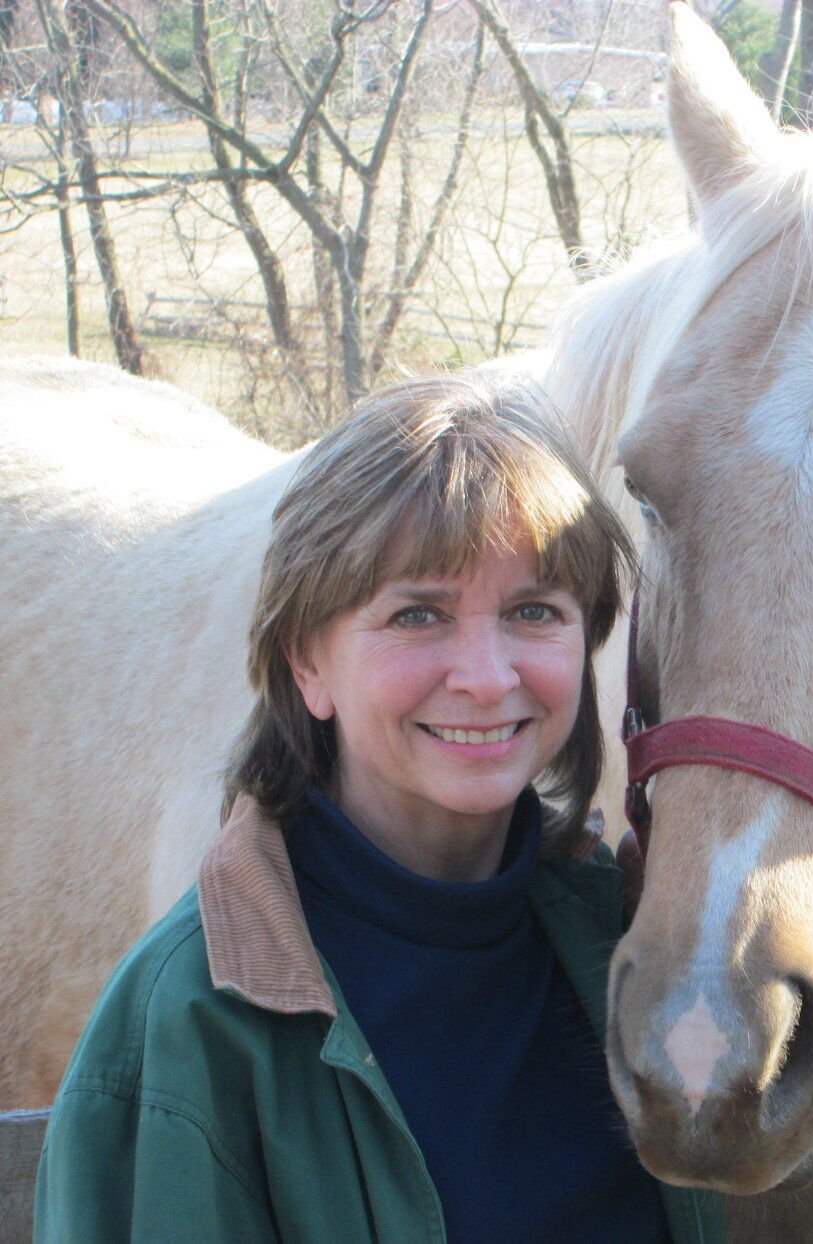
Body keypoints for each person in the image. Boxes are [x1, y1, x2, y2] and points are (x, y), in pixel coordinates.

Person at [34, 373, 725, 1243]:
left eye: (532, 611)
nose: (485, 676)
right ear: (306, 664)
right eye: (417, 616)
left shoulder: (619, 938)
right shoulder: (191, 1029)